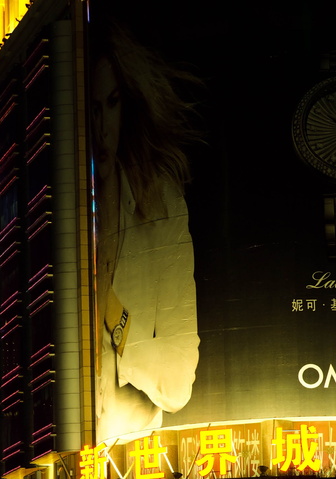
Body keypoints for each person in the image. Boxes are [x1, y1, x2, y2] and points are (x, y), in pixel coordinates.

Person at [91, 19, 201, 443]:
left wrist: (111, 313)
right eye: (93, 108)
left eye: (113, 103)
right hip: (58, 460)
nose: (102, 127)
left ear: (129, 104)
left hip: (134, 457)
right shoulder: (57, 209)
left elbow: (177, 382)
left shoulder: (162, 204)